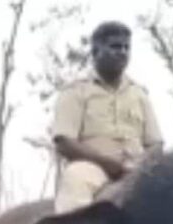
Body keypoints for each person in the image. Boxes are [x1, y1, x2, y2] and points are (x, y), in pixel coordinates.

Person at [50, 21, 163, 213]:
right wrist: (109, 164)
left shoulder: (139, 94)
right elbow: (64, 141)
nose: (122, 52)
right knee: (75, 178)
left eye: (127, 47)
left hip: (138, 171)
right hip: (93, 169)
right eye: (115, 46)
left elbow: (156, 144)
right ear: (95, 52)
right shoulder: (76, 91)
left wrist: (139, 166)